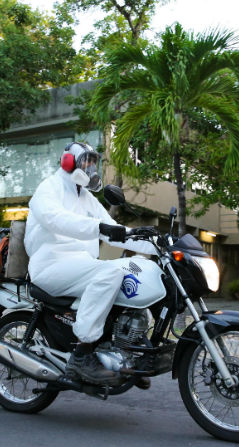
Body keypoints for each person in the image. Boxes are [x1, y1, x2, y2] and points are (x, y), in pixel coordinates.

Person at [24, 142, 157, 385]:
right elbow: (56, 219)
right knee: (112, 273)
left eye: (94, 161)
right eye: (86, 160)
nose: (91, 166)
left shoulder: (87, 199)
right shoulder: (48, 189)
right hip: (50, 265)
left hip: (79, 265)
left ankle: (125, 352)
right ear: (68, 162)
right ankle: (81, 355)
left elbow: (114, 231)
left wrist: (157, 243)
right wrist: (99, 228)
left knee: (134, 272)